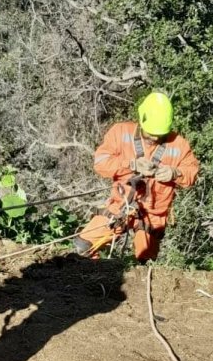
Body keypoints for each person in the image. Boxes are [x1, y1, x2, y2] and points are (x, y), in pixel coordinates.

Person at [75, 92, 199, 262]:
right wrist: (131, 164)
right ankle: (98, 281)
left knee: (144, 261)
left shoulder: (178, 145)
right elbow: (100, 162)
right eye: (150, 133)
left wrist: (175, 173)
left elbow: (192, 173)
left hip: (152, 215)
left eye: (159, 134)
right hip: (121, 207)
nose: (154, 137)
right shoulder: (121, 133)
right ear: (141, 120)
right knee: (83, 246)